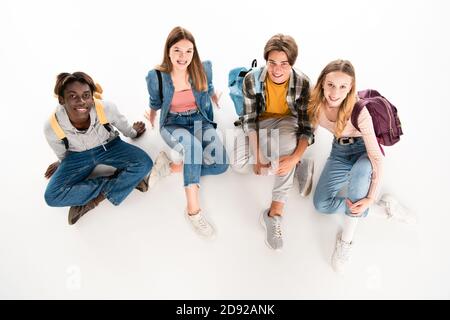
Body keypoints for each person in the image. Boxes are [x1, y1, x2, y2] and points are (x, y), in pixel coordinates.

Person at [308, 59, 414, 273]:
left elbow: (376, 158)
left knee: (358, 184)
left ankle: (345, 242)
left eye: (343, 87)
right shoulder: (315, 103)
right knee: (321, 204)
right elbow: (308, 132)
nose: (335, 92)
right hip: (338, 152)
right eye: (330, 85)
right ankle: (384, 210)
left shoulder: (359, 111)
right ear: (322, 83)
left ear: (350, 88)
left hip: (362, 151)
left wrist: (370, 197)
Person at [231, 34, 314, 251]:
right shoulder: (251, 79)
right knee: (238, 165)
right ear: (266, 61)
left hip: (287, 122)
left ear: (292, 64)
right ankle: (298, 166)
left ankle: (274, 213)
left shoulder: (303, 83)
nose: (277, 70)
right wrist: (258, 157)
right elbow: (248, 121)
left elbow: (307, 128)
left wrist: (294, 155)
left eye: (284, 64)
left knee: (286, 153)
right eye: (272, 63)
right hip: (260, 123)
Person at [145, 26, 228, 239]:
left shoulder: (203, 68)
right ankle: (193, 211)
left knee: (221, 165)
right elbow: (155, 101)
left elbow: (208, 87)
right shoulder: (156, 76)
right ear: (168, 51)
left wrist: (214, 98)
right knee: (193, 148)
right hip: (174, 123)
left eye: (188, 51)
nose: (183, 56)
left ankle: (169, 167)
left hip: (199, 119)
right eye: (177, 50)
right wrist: (153, 116)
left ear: (194, 51)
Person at [44, 72, 153, 225]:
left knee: (145, 163)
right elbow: (61, 151)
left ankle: (93, 201)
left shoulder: (105, 108)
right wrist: (61, 163)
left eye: (86, 95)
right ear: (62, 99)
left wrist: (133, 133)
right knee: (52, 196)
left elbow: (121, 124)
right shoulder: (52, 126)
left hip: (109, 146)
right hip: (77, 156)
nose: (81, 101)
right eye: (73, 96)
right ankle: (125, 182)